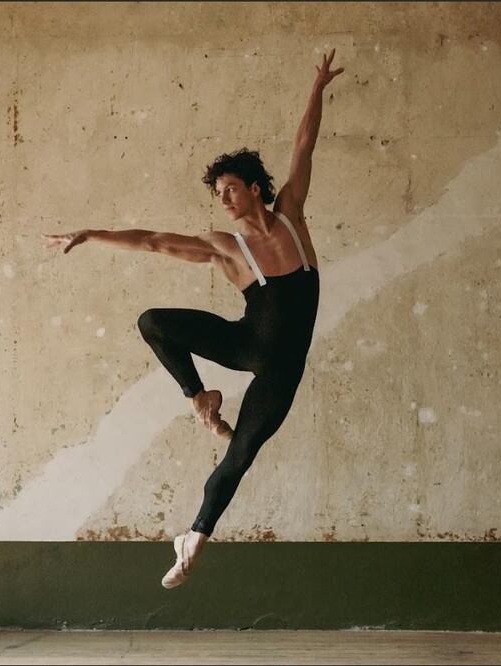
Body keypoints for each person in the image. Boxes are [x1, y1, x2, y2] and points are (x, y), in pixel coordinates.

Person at [44, 50, 344, 588]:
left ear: (255, 187)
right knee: (153, 320)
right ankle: (198, 395)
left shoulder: (292, 216)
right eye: (217, 193)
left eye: (230, 188)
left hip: (283, 369)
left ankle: (194, 537)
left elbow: (304, 146)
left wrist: (318, 87)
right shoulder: (225, 248)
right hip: (246, 342)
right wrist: (90, 234)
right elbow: (155, 241)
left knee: (243, 451)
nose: (223, 198)